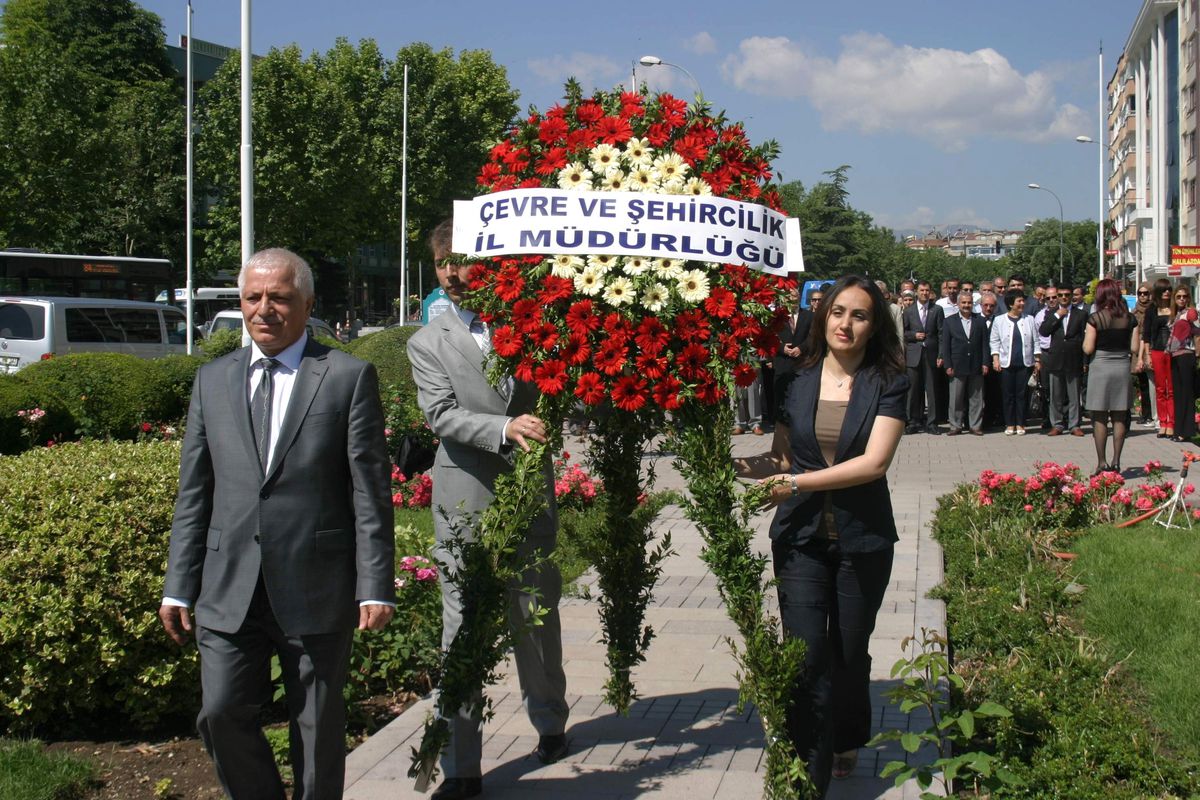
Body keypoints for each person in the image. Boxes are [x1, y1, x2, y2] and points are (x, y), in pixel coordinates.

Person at [160, 248, 396, 800]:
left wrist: (375, 584)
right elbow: (194, 493)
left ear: (307, 304)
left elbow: (370, 492)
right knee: (219, 713)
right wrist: (179, 584)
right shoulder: (211, 381)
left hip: (316, 583)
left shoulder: (346, 377)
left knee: (316, 726)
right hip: (228, 584)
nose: (264, 309)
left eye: (279, 298)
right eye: (252, 298)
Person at [407, 220, 569, 800]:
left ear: (493, 263)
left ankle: (551, 722)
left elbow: (563, 380)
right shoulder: (426, 342)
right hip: (464, 496)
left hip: (528, 492)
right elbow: (442, 416)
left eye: (463, 261)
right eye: (442, 263)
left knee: (534, 612)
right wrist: (503, 427)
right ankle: (461, 766)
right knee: (463, 625)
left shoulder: (532, 327)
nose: (453, 273)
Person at [741, 274, 907, 797]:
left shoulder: (890, 381)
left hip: (863, 540)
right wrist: (727, 466)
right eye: (838, 312)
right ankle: (806, 777)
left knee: (849, 652)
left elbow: (873, 464)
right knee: (806, 654)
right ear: (822, 315)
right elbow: (781, 458)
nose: (846, 323)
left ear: (873, 324)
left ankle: (849, 734)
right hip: (800, 539)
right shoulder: (796, 379)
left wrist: (793, 482)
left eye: (859, 315)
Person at [1083, 278, 1140, 473]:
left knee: (1099, 416)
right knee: (1119, 415)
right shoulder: (1131, 319)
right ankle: (1117, 461)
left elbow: (1088, 348)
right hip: (1121, 366)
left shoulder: (1095, 318)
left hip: (1100, 367)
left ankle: (1101, 462)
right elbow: (1134, 347)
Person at [990, 289, 1040, 435]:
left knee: (1022, 394)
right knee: (1008, 395)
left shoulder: (1029, 319)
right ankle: (1010, 423)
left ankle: (1021, 423)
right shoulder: (999, 320)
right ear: (1011, 303)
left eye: (1023, 300)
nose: (1022, 303)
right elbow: (994, 340)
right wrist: (995, 358)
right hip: (1006, 364)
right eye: (1019, 301)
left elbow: (1035, 340)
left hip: (1025, 364)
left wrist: (1037, 359)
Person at [1039, 286, 1087, 436]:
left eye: (1067, 294)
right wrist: (1057, 316)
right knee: (1056, 395)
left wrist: (1085, 361)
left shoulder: (1081, 314)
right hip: (1056, 358)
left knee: (1074, 395)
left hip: (1074, 358)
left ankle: (1074, 425)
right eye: (1061, 295)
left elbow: (1085, 338)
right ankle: (1057, 424)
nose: (1064, 297)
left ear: (1071, 295)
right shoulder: (1051, 313)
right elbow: (1044, 331)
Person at [940, 290, 989, 435]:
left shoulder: (980, 320)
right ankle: (955, 426)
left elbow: (985, 344)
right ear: (958, 304)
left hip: (976, 363)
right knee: (956, 398)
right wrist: (948, 364)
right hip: (957, 364)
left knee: (976, 398)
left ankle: (975, 425)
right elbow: (946, 345)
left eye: (969, 303)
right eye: (964, 303)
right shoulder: (949, 321)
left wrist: (985, 362)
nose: (966, 305)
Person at [902, 280, 942, 434]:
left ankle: (932, 423)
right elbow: (904, 333)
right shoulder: (909, 311)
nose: (924, 293)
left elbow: (941, 333)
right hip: (914, 355)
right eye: (922, 290)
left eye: (927, 290)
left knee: (931, 391)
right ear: (916, 292)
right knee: (913, 391)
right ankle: (913, 422)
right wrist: (914, 335)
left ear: (930, 292)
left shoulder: (936, 310)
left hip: (931, 354)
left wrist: (941, 354)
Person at [1141, 278, 1176, 438]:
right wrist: (1147, 355)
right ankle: (1163, 422)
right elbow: (1146, 335)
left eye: (1169, 289)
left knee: (1172, 388)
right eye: (1164, 290)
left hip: (1174, 352)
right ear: (1158, 292)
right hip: (1157, 351)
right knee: (1160, 388)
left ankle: (1172, 423)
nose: (1167, 292)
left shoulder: (1175, 308)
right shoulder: (1151, 310)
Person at [1167, 286, 1200, 443]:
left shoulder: (1191, 312)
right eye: (1178, 296)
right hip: (1175, 356)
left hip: (1187, 355)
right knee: (1178, 394)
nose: (1181, 299)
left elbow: (1198, 334)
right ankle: (1178, 429)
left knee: (1187, 394)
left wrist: (1198, 355)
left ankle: (1186, 431)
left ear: (1188, 298)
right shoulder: (1176, 314)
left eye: (1184, 296)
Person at [1132, 282, 1157, 426]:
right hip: (1137, 350)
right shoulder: (1134, 311)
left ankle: (1153, 415)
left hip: (1150, 348)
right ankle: (1145, 413)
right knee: (1142, 384)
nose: (1142, 296)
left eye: (1145, 293)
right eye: (1140, 293)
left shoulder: (1153, 309)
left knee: (1152, 383)